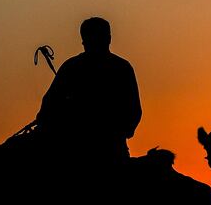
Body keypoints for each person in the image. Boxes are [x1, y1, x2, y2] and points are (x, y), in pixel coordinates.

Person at [35, 17, 142, 164]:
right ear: (109, 38)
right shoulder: (121, 67)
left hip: (89, 151)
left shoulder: (72, 67)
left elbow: (47, 109)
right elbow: (48, 108)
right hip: (98, 150)